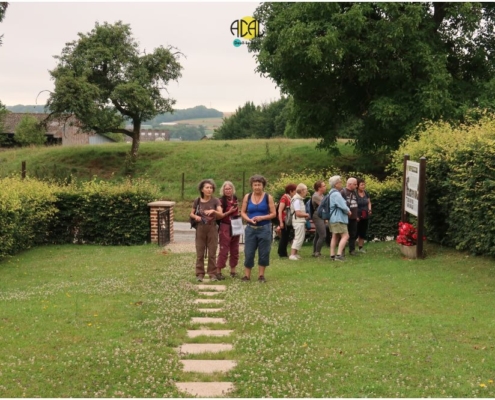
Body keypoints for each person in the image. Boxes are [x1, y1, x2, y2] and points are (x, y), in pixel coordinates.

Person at [240, 175, 277, 283]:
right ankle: (247, 276)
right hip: (250, 229)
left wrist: (262, 217)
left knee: (264, 252)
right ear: (252, 186)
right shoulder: (247, 197)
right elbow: (242, 212)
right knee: (249, 252)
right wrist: (248, 219)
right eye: (255, 185)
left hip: (264, 228)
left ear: (263, 186)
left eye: (259, 185)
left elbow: (273, 213)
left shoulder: (268, 197)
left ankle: (261, 275)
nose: (257, 187)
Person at [190, 179, 223, 282]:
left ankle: (212, 274)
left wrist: (214, 211)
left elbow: (221, 214)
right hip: (200, 228)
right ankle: (200, 274)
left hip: (212, 228)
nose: (209, 190)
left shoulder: (215, 201)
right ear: (202, 189)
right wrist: (195, 217)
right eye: (207, 187)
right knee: (200, 252)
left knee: (212, 252)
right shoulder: (197, 201)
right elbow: (191, 213)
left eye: (211, 188)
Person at [216, 181, 240, 278]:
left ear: (232, 189)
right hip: (225, 225)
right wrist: (229, 211)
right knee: (224, 249)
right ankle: (218, 271)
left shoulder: (235, 198)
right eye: (226, 189)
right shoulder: (221, 201)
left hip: (236, 223)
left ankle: (233, 270)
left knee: (235, 248)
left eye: (229, 189)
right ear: (223, 190)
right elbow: (219, 215)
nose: (228, 191)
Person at [328, 175, 351, 261]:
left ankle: (332, 255)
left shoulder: (330, 193)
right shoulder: (336, 194)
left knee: (335, 236)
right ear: (336, 184)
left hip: (332, 218)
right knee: (345, 236)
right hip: (339, 218)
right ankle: (339, 255)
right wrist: (348, 211)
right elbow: (342, 206)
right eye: (340, 182)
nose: (341, 183)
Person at [289, 183, 310, 260]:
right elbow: (298, 213)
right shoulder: (297, 200)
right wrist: (306, 214)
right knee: (298, 238)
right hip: (298, 221)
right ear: (302, 190)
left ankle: (295, 253)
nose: (307, 191)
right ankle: (292, 254)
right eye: (306, 190)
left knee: (300, 237)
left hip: (300, 221)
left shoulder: (298, 199)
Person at [277, 183, 297, 258]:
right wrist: (281, 222)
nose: (296, 192)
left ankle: (283, 252)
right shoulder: (284, 198)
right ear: (290, 191)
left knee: (286, 236)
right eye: (295, 191)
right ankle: (282, 252)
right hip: (284, 219)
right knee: (284, 236)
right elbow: (280, 210)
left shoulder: (289, 198)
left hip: (287, 220)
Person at [340, 177, 359, 255]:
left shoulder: (355, 192)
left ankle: (352, 250)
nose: (356, 186)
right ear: (349, 184)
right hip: (345, 217)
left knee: (353, 234)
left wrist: (357, 215)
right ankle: (342, 251)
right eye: (355, 184)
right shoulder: (343, 192)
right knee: (344, 235)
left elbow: (357, 204)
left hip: (354, 217)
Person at [311, 180, 327, 257]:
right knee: (323, 235)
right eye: (324, 186)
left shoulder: (322, 195)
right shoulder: (315, 196)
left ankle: (315, 252)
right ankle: (317, 252)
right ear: (319, 188)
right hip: (317, 216)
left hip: (321, 215)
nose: (325, 187)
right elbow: (324, 205)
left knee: (318, 235)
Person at [356, 178, 372, 253]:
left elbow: (369, 202)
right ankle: (352, 248)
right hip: (357, 215)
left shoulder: (366, 193)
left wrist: (369, 209)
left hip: (365, 215)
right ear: (357, 186)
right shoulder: (355, 194)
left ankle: (360, 247)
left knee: (363, 232)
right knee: (355, 232)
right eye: (362, 185)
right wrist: (356, 215)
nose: (363, 186)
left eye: (364, 184)